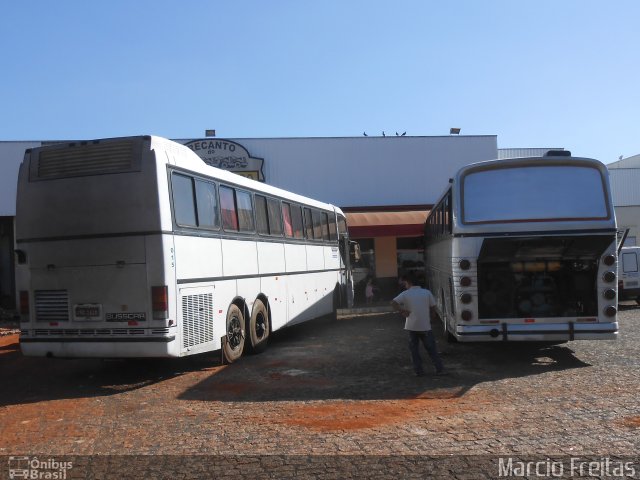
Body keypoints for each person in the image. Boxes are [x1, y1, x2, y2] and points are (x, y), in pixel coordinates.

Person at [391, 273, 445, 377]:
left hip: (411, 326)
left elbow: (393, 303)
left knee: (414, 350)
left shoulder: (405, 294)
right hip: (425, 326)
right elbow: (433, 308)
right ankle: (439, 369)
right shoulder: (426, 293)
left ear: (408, 283)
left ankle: (419, 371)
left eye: (405, 284)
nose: (405, 285)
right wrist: (431, 317)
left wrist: (402, 311)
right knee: (432, 349)